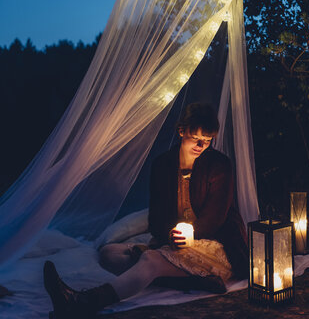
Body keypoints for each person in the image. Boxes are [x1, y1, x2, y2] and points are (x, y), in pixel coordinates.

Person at [43, 103, 248, 319]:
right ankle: (195, 279)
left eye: (206, 140)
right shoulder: (163, 165)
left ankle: (82, 302)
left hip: (215, 245)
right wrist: (169, 235)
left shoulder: (219, 165)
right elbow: (157, 218)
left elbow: (215, 220)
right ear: (181, 131)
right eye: (195, 137)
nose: (200, 145)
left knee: (150, 261)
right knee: (109, 253)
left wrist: (189, 236)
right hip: (175, 243)